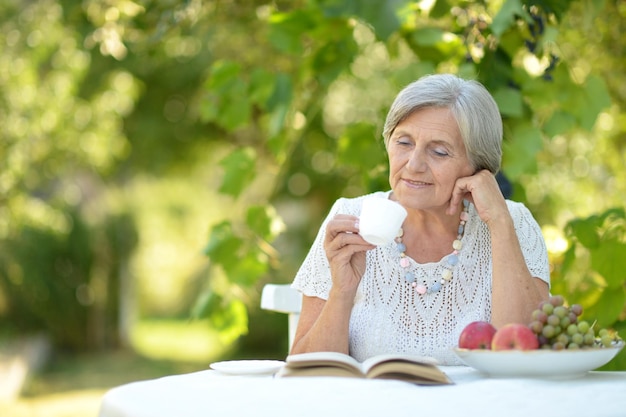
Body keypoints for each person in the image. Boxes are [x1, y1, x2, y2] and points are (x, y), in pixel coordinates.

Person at [289, 73, 550, 365]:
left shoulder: (512, 221)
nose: (413, 165)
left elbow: (527, 359)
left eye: (439, 151)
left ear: (479, 167)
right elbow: (305, 374)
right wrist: (342, 291)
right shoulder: (349, 220)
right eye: (403, 143)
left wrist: (500, 224)